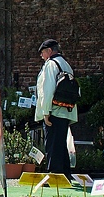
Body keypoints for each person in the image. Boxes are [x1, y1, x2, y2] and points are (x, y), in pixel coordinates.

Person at [33, 38, 78, 176]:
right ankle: (65, 175)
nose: (41, 56)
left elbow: (47, 90)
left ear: (49, 51)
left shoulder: (50, 64)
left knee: (52, 145)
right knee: (61, 144)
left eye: (42, 52)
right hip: (66, 111)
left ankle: (54, 175)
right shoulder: (66, 65)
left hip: (54, 111)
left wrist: (46, 112)